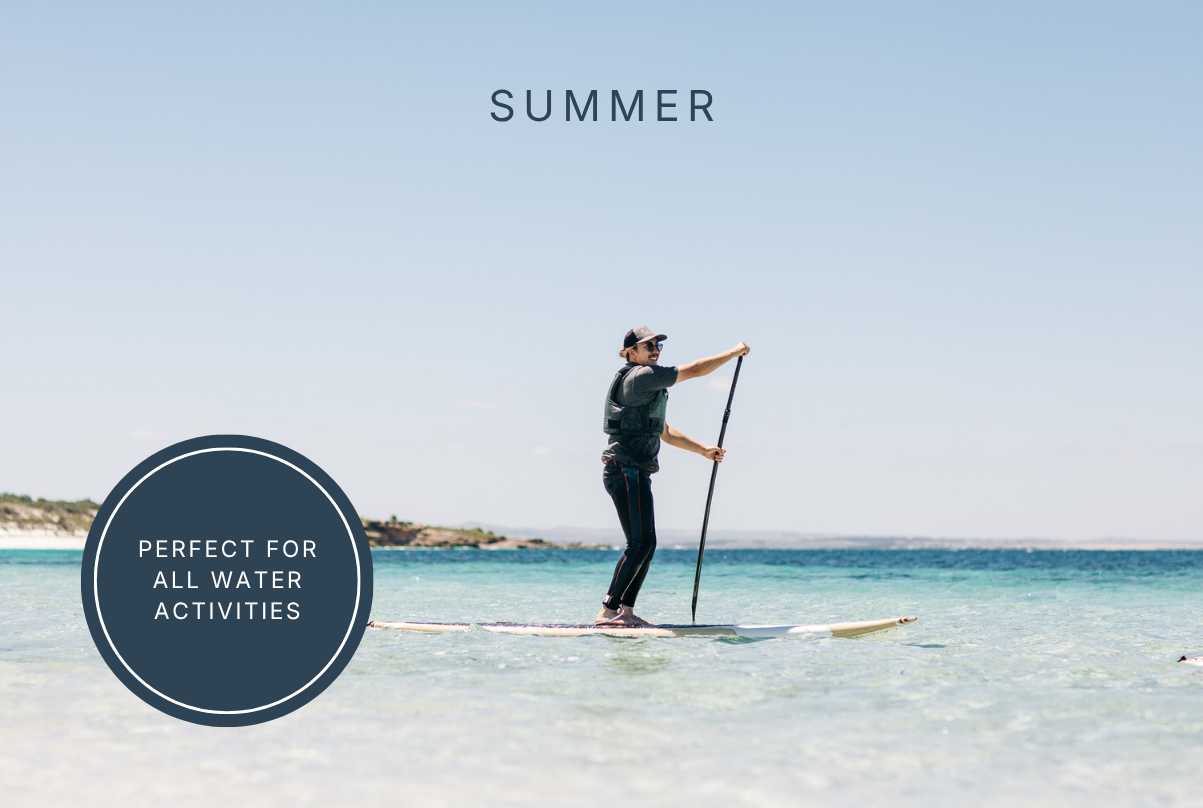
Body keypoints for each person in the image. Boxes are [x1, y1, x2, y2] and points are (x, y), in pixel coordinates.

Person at [596, 326, 750, 626]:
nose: (654, 349)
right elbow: (694, 370)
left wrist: (703, 450)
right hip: (625, 469)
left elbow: (664, 431)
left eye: (657, 345)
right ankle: (607, 611)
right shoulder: (640, 376)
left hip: (634, 470)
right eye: (647, 345)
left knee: (647, 543)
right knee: (640, 544)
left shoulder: (646, 385)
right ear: (631, 353)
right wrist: (733, 353)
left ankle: (625, 612)